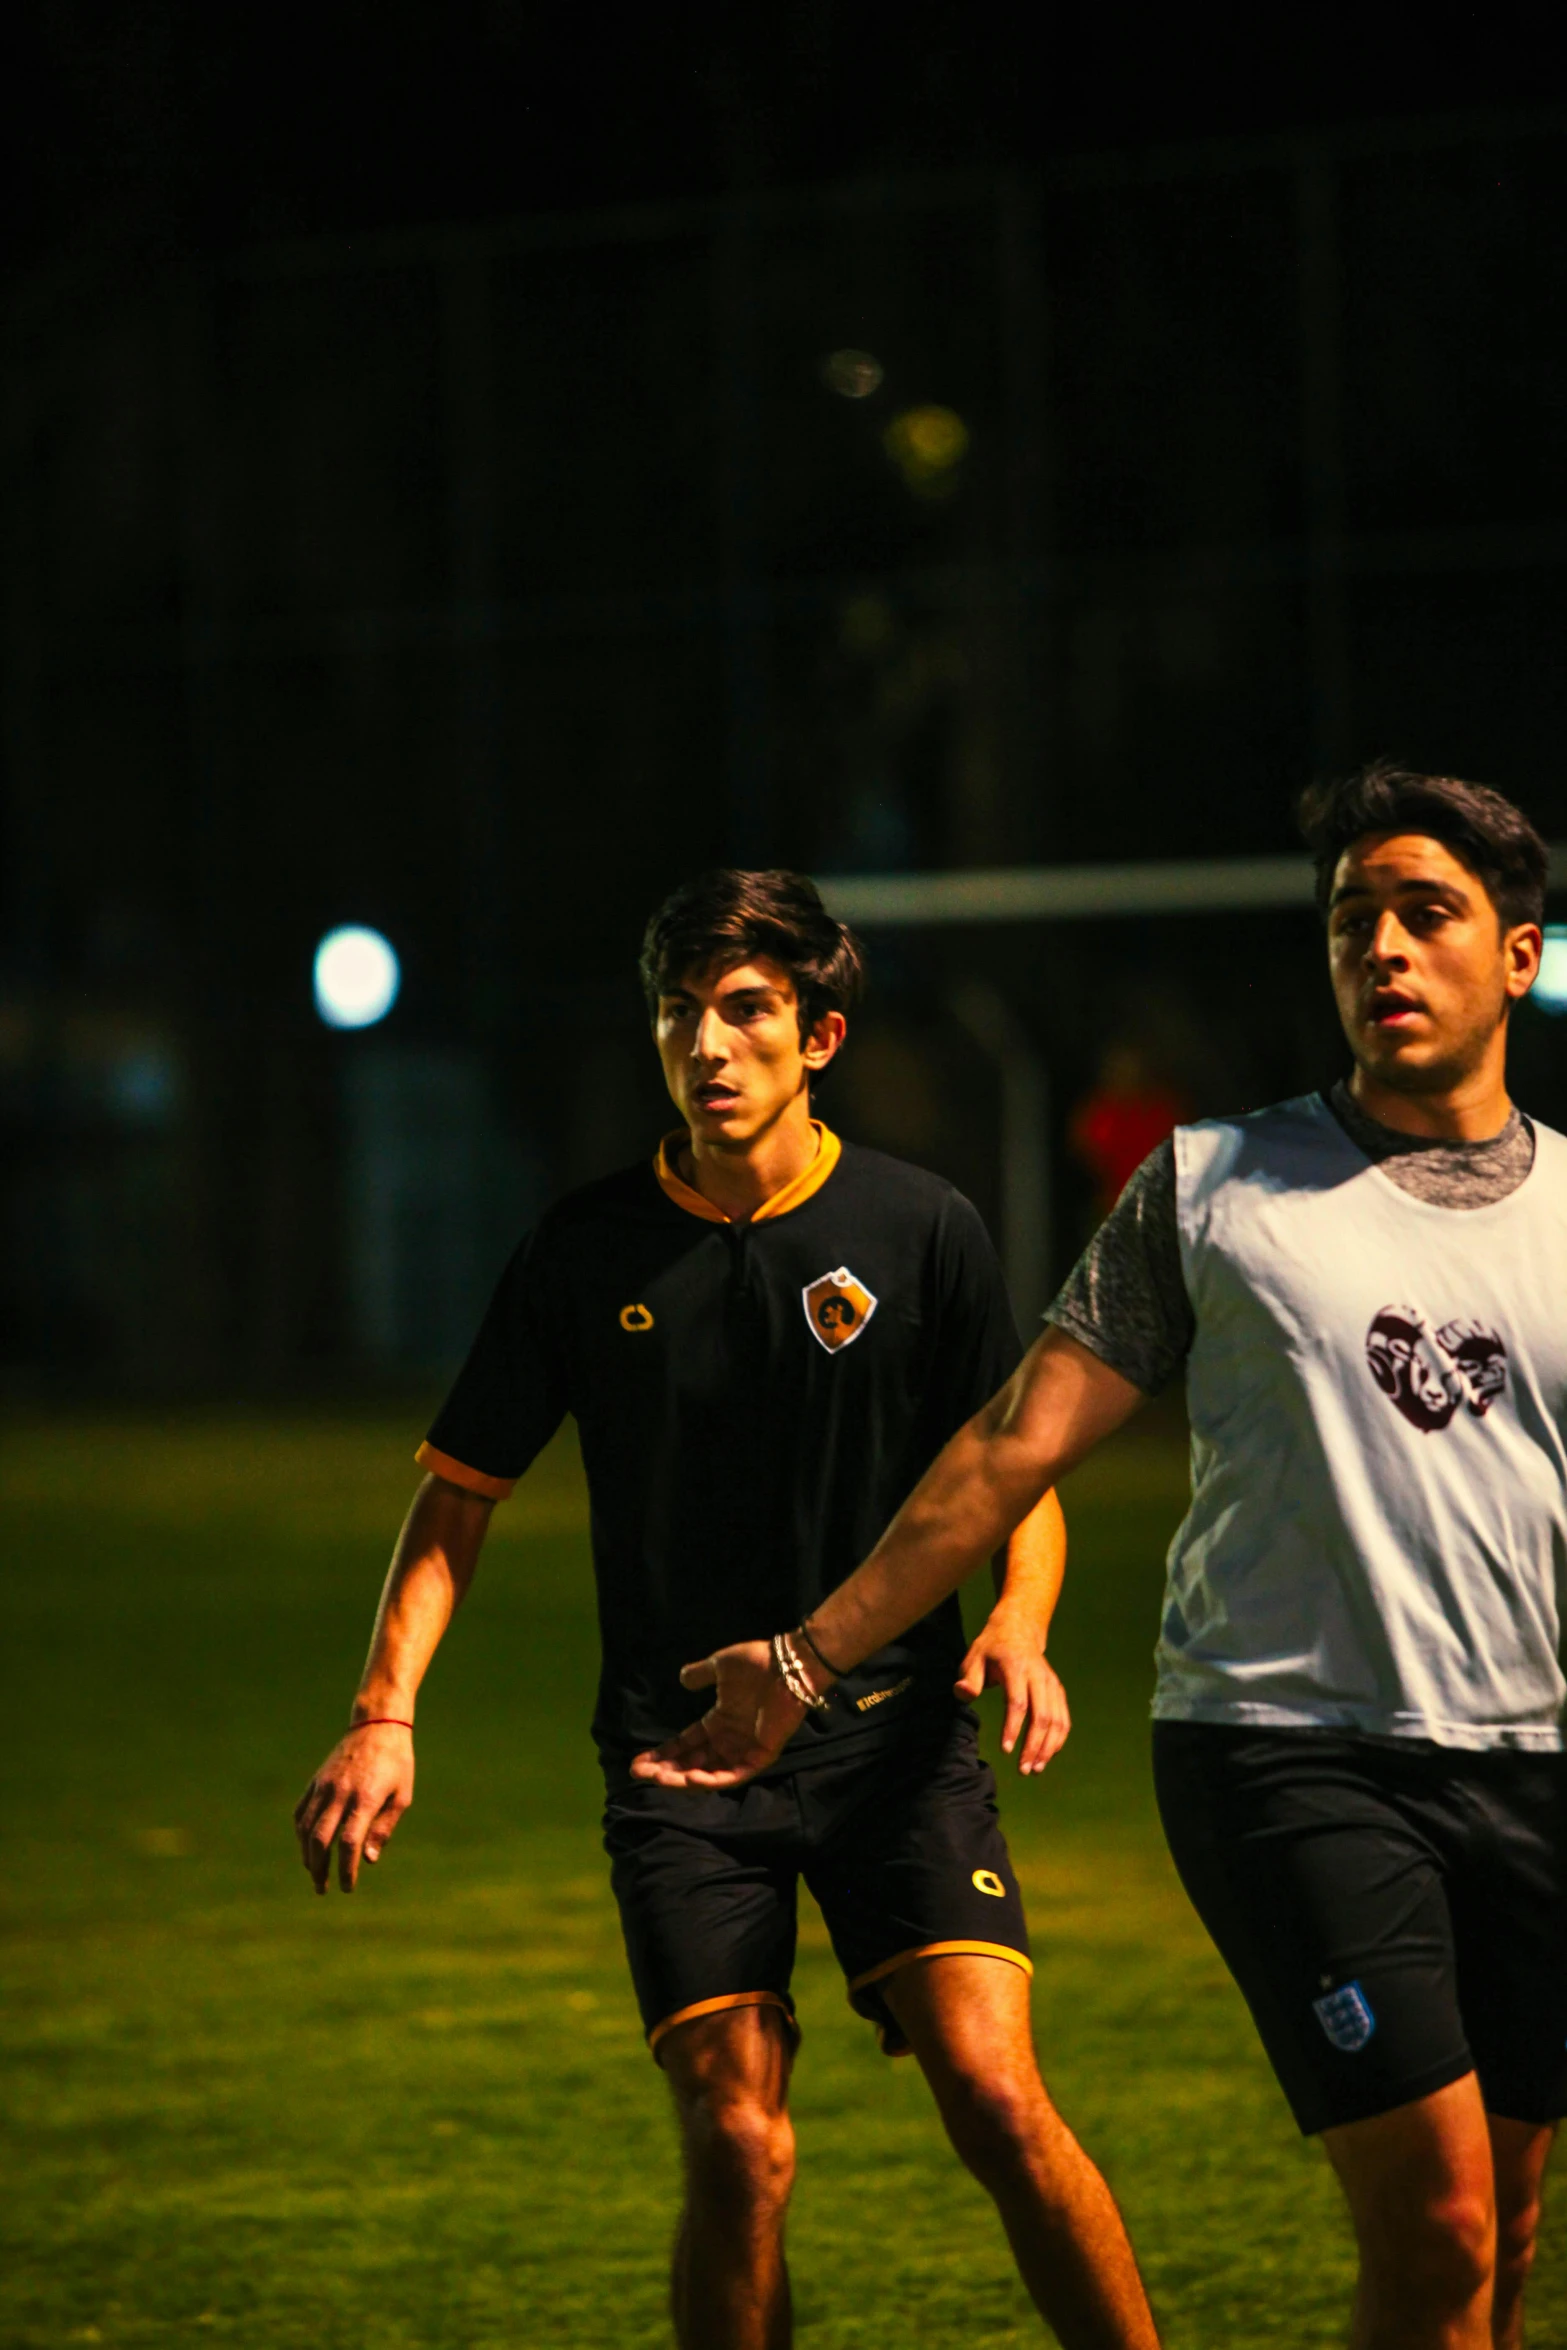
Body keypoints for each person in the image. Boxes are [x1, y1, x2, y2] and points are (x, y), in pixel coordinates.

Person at [640, 770, 1566, 2350]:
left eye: (1427, 914)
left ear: (1521, 952)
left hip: (1538, 1758)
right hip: (1293, 1750)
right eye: (1354, 920)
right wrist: (806, 1659)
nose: (1385, 950)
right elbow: (1006, 1446)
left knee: (1501, 2233)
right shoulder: (1214, 1187)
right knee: (1440, 2216)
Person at [294, 868, 1161, 2350]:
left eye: (746, 1008)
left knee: (1000, 2097)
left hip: (890, 1744)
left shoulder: (919, 1224)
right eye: (680, 1010)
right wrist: (385, 1713)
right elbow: (457, 1494)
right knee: (737, 2142)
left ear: (817, 1036)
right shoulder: (582, 1251)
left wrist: (1018, 1623)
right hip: (681, 1763)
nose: (707, 1043)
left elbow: (1010, 1468)